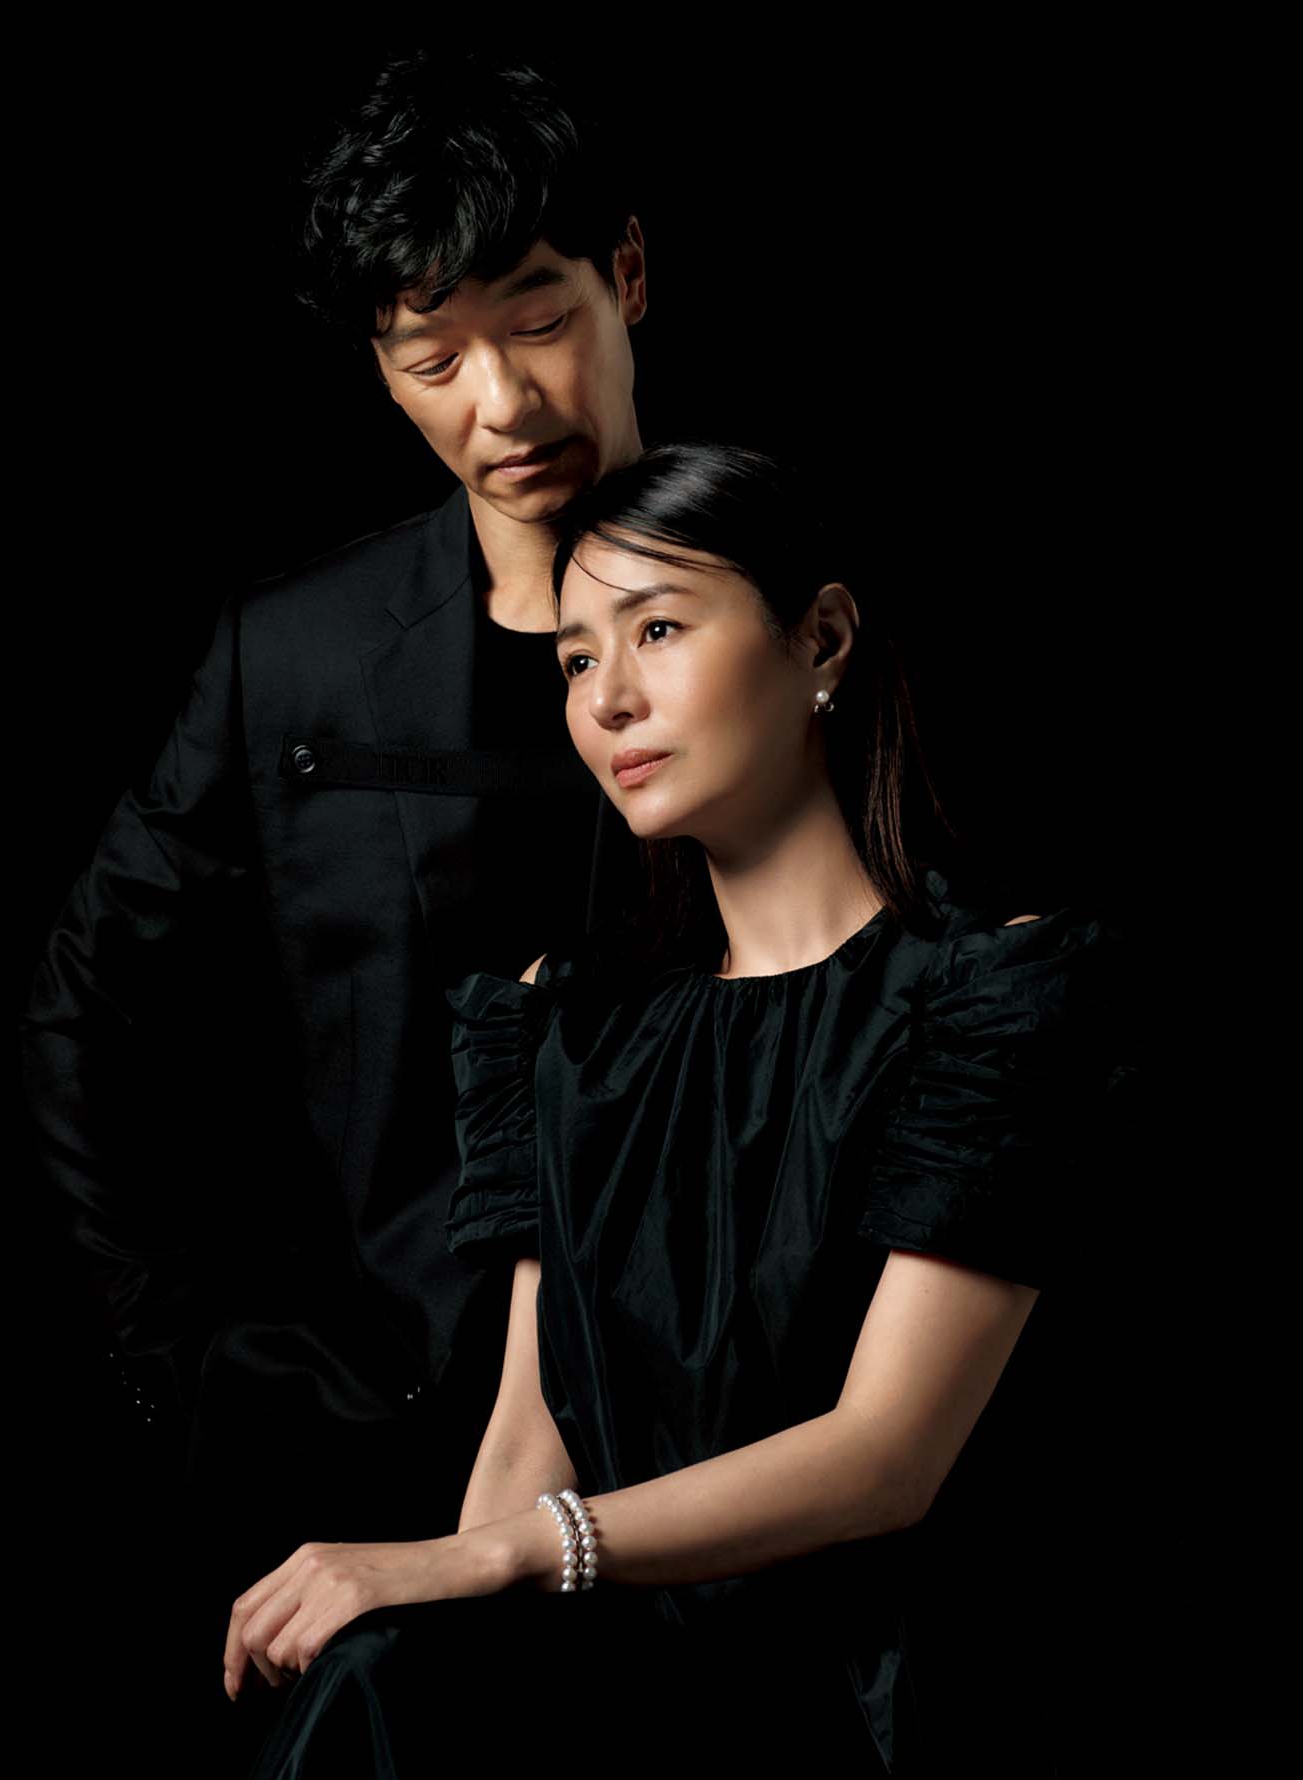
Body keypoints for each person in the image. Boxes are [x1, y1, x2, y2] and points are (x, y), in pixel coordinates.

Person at [224, 442, 1138, 1777]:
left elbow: (887, 1457)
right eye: (575, 659)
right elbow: (528, 1435)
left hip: (855, 1697)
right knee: (386, 1681)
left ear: (822, 639)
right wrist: (443, 1603)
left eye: (657, 630)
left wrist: (504, 1556)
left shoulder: (991, 997)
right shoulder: (563, 1024)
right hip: (608, 1673)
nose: (609, 699)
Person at [17, 50, 649, 1769]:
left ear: (628, 275)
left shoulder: (803, 606)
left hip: (721, 1433)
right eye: (431, 358)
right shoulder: (293, 652)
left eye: (541, 320)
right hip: (370, 1443)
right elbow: (85, 1004)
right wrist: (182, 1364)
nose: (503, 405)